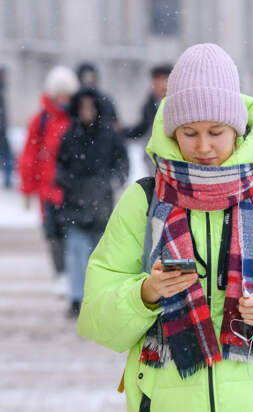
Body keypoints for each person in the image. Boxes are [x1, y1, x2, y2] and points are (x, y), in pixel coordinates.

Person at [77, 43, 253, 411]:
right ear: (173, 131)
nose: (203, 147)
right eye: (189, 133)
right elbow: (96, 317)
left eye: (216, 131)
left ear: (236, 128)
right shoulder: (144, 201)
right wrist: (146, 293)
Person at [56, 87, 128, 317]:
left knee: (99, 255)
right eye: (83, 106)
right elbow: (60, 167)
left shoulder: (110, 136)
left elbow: (122, 165)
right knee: (76, 251)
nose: (87, 111)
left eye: (91, 106)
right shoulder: (69, 136)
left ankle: (97, 299)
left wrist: (108, 182)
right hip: (75, 204)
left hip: (101, 205)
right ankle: (76, 299)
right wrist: (71, 184)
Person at [18, 65, 79, 292]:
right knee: (53, 235)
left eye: (67, 94)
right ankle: (61, 275)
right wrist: (27, 189)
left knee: (74, 235)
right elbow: (29, 156)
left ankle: (75, 276)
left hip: (71, 190)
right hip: (48, 190)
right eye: (59, 94)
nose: (63, 98)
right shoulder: (41, 121)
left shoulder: (76, 119)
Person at [123, 64, 173, 175]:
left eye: (163, 80)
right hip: (154, 160)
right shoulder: (149, 105)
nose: (159, 85)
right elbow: (142, 128)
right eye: (156, 81)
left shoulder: (177, 103)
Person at [75, 61, 119, 130]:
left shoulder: (105, 101)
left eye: (91, 77)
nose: (88, 81)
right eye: (85, 78)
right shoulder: (74, 100)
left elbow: (115, 125)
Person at [0, 67, 12, 189]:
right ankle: (8, 180)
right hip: (1, 130)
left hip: (3, 129)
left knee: (7, 156)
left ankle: (8, 180)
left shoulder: (3, 89)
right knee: (7, 155)